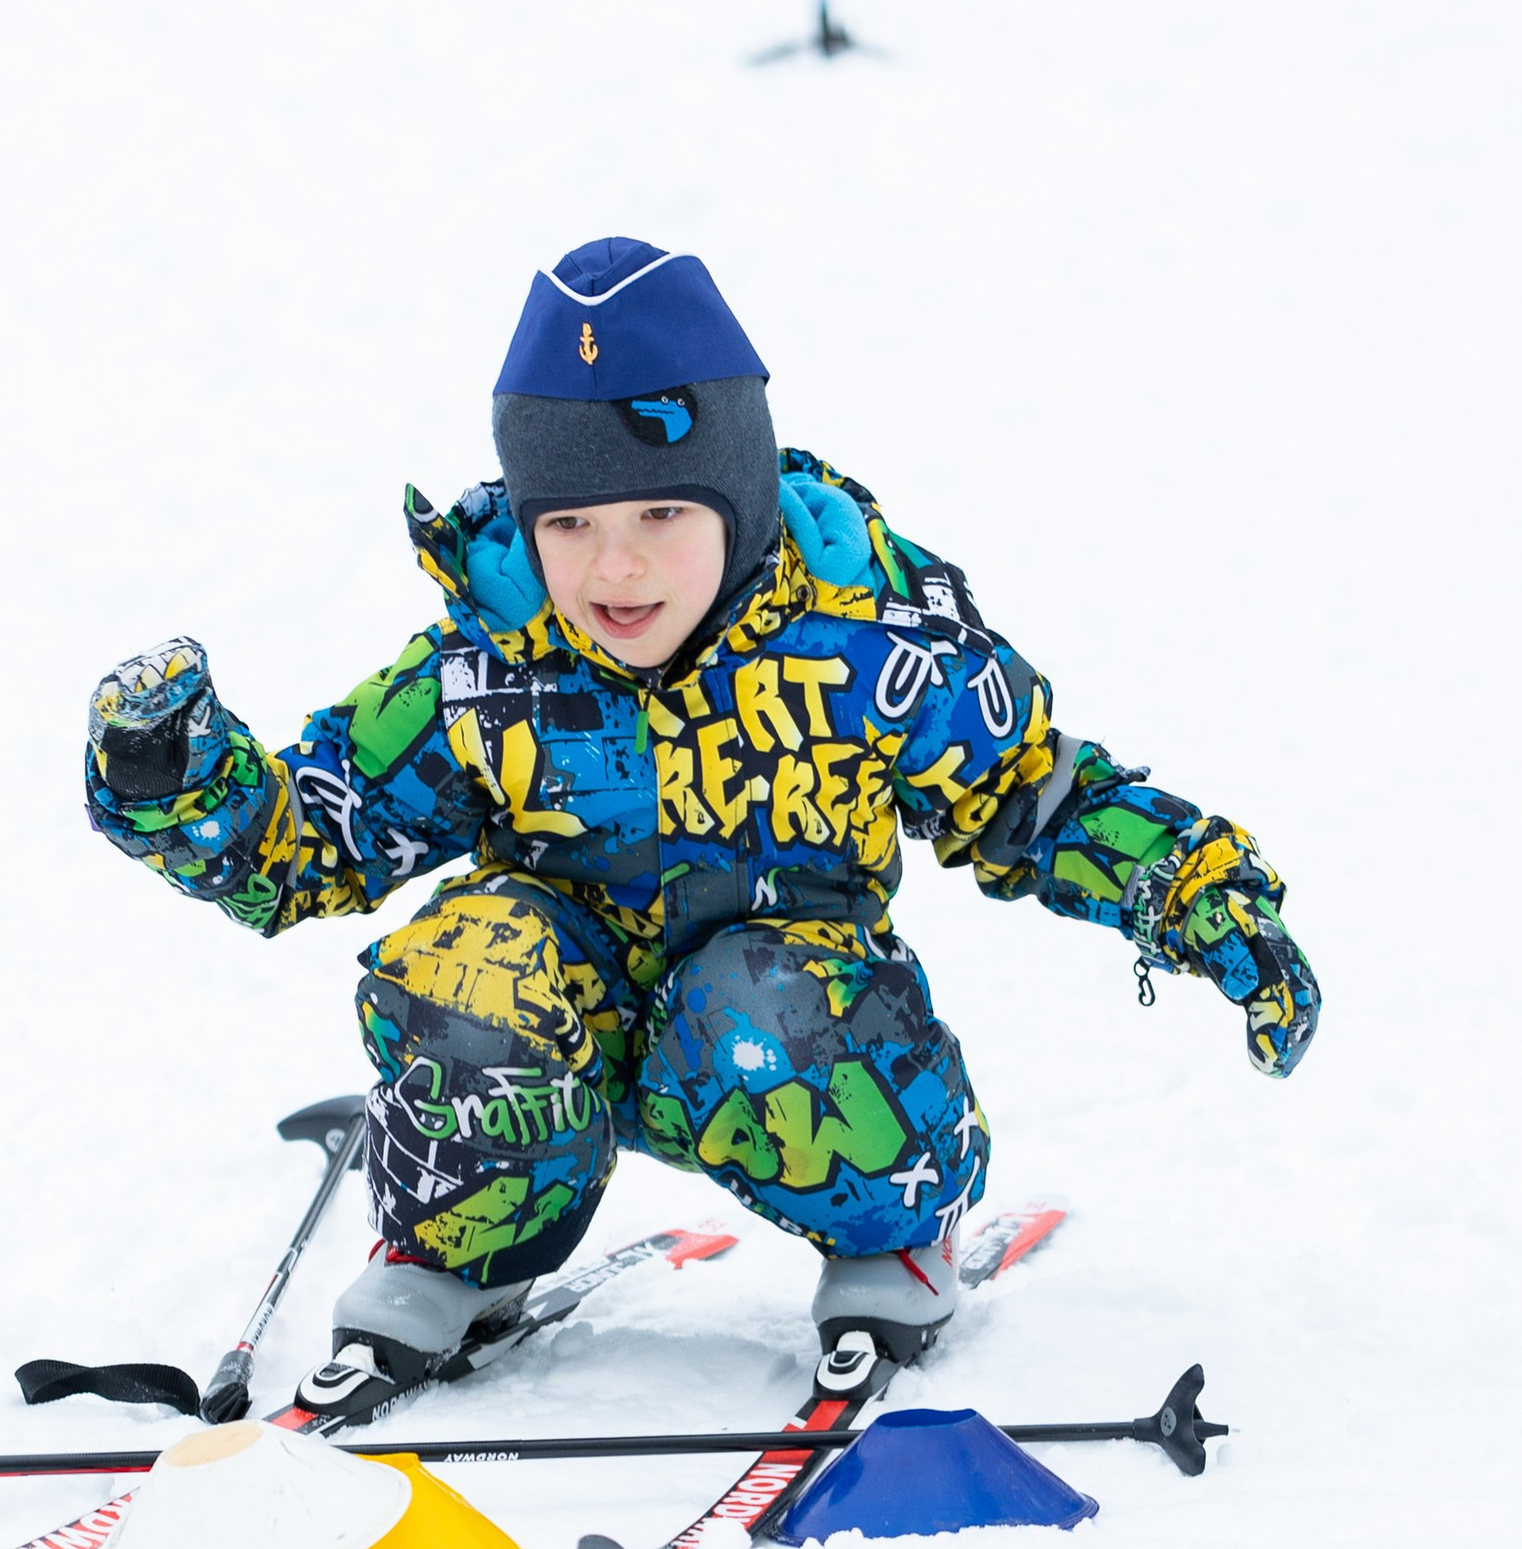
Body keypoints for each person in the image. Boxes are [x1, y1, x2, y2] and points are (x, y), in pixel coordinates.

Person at [83, 237, 1318, 1408]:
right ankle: (466, 1241)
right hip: (553, 1041)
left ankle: (889, 1231)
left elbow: (1035, 798)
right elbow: (315, 839)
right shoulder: (487, 660)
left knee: (762, 1002)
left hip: (780, 1042)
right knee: (463, 966)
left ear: (737, 495)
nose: (613, 569)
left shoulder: (865, 636)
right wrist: (171, 775)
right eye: (569, 526)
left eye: (660, 518)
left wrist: (1203, 901)